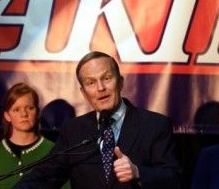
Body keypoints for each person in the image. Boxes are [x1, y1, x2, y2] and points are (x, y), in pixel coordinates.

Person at [15, 51, 181, 189]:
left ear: (120, 82)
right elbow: (44, 177)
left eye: (107, 78)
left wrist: (138, 172)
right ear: (83, 92)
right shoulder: (73, 131)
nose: (100, 88)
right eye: (91, 82)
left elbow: (174, 179)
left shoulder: (155, 125)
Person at [0, 82, 70, 189]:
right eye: (16, 109)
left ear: (37, 112)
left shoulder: (54, 152)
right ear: (7, 115)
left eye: (30, 108)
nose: (24, 114)